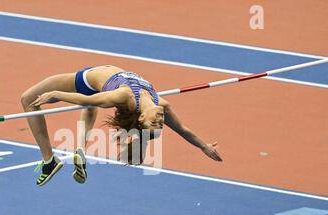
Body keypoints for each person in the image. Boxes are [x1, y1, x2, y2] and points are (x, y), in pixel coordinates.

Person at [20, 65, 222, 186]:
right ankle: (80, 148)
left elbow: (87, 99)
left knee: (28, 98)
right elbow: (183, 130)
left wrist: (57, 95)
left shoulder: (123, 96)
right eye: (160, 123)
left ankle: (49, 160)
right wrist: (204, 146)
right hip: (98, 89)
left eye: (154, 122)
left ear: (142, 118)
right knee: (91, 106)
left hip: (87, 80)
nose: (160, 119)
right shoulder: (162, 104)